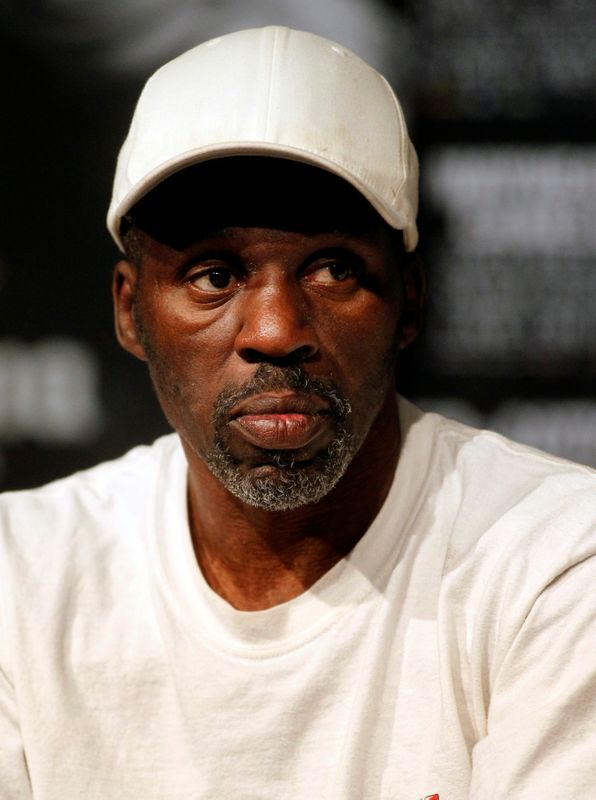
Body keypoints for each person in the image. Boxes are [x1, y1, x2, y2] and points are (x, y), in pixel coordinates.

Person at [1, 26, 595, 800]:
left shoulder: (552, 560)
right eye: (214, 276)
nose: (276, 331)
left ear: (409, 301)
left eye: (333, 269)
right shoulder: (20, 578)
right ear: (128, 311)